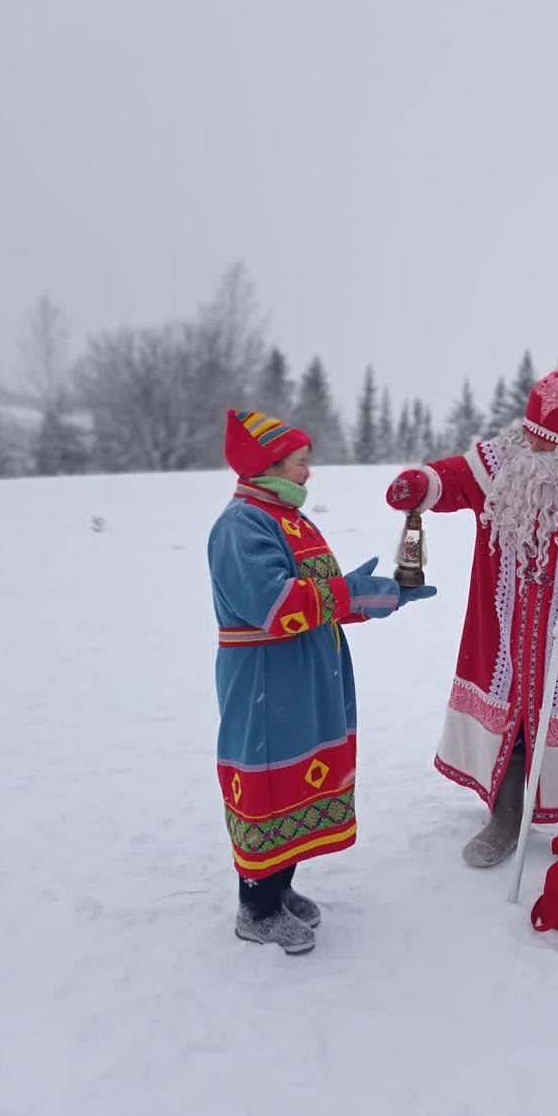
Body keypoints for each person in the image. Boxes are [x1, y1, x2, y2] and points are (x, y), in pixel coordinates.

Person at [385, 370, 558, 867]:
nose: (536, 448)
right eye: (532, 435)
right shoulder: (500, 464)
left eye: (550, 443)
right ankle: (507, 812)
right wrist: (422, 484)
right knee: (510, 725)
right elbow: (451, 480)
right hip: (499, 630)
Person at [209, 408, 435, 954]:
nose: (309, 473)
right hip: (267, 674)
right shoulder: (241, 525)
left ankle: (279, 889)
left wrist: (374, 595)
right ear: (272, 464)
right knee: (266, 783)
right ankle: (255, 908)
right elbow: (273, 604)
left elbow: (320, 595)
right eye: (302, 463)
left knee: (295, 781)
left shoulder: (288, 518)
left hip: (306, 671)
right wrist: (350, 595)